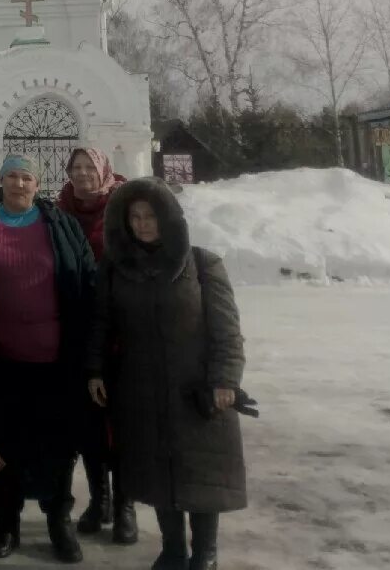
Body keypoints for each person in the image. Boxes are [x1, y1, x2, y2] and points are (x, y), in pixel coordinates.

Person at [88, 180, 246, 570]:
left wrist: (224, 379)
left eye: (151, 216)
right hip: (140, 387)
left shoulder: (203, 264)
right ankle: (173, 549)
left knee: (201, 472)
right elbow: (100, 325)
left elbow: (226, 330)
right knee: (156, 471)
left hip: (196, 388)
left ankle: (205, 552)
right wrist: (94, 370)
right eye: (135, 217)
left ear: (169, 219)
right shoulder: (117, 269)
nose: (142, 225)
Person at [0, 156, 95, 564]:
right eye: (11, 177)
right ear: (0, 182)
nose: (19, 184)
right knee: (5, 444)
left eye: (26, 177)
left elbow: (86, 279)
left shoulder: (60, 224)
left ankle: (59, 520)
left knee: (57, 445)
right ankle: (7, 522)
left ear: (38, 184)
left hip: (55, 360)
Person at [55, 148, 135, 545]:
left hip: (118, 332)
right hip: (76, 331)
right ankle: (98, 500)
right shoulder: (61, 211)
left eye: (90, 167)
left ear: (103, 171)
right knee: (87, 425)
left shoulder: (122, 210)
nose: (83, 174)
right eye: (76, 168)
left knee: (118, 425)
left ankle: (125, 507)